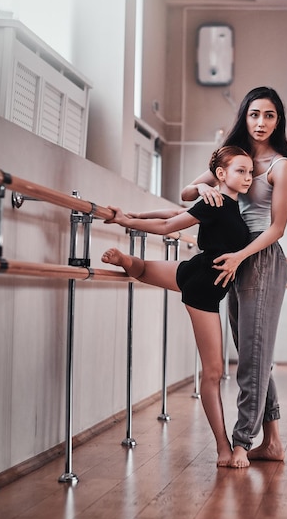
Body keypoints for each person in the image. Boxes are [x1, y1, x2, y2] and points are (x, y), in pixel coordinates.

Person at [101, 146, 253, 468]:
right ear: (222, 174)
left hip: (194, 271)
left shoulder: (225, 206)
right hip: (204, 292)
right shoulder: (217, 202)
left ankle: (128, 261)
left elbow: (173, 215)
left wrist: (132, 217)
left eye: (251, 172)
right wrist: (127, 221)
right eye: (241, 170)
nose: (248, 177)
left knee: (142, 271)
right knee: (213, 374)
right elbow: (170, 226)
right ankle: (223, 449)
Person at [181, 86, 287, 468]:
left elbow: (277, 228)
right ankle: (274, 441)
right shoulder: (236, 158)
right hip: (234, 259)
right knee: (253, 352)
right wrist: (203, 186)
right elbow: (186, 193)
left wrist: (240, 257)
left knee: (252, 355)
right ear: (244, 117)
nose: (260, 122)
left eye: (268, 115)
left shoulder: (280, 166)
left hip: (258, 258)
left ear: (278, 120)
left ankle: (241, 443)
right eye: (254, 114)